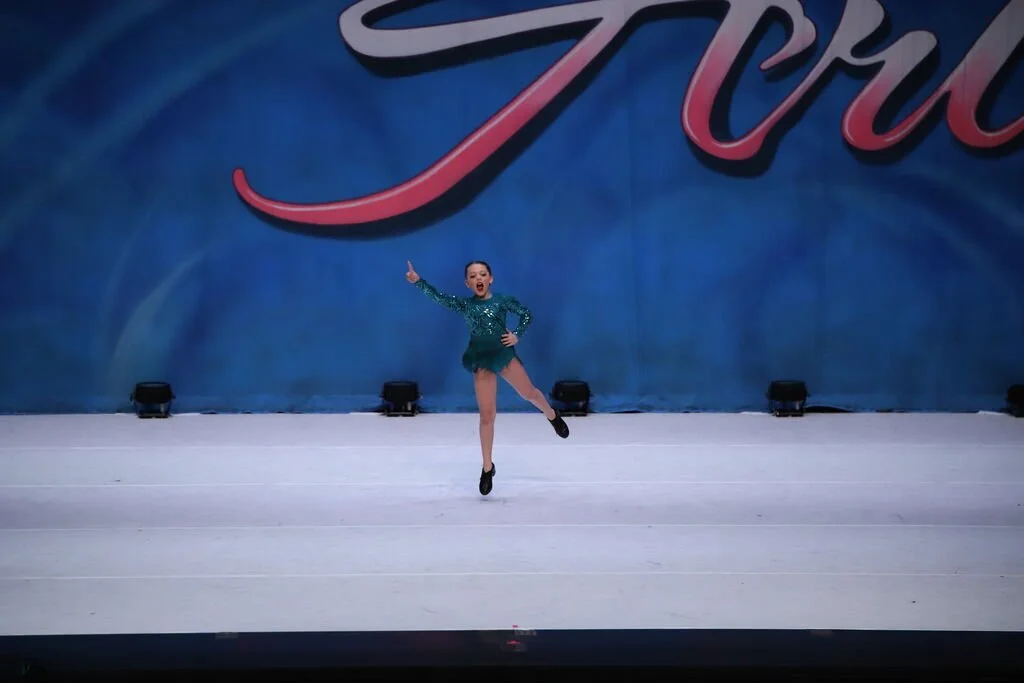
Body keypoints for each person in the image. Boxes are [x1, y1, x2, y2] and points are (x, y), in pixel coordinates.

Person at [405, 259, 569, 495]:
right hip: (481, 358)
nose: (478, 279)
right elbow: (440, 298)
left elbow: (526, 314)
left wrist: (517, 335)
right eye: (473, 276)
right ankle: (487, 467)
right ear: (467, 283)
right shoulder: (465, 305)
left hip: (502, 354)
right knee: (486, 416)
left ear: (490, 278)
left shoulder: (502, 301)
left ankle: (552, 415)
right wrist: (418, 282)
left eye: (482, 274)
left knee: (529, 393)